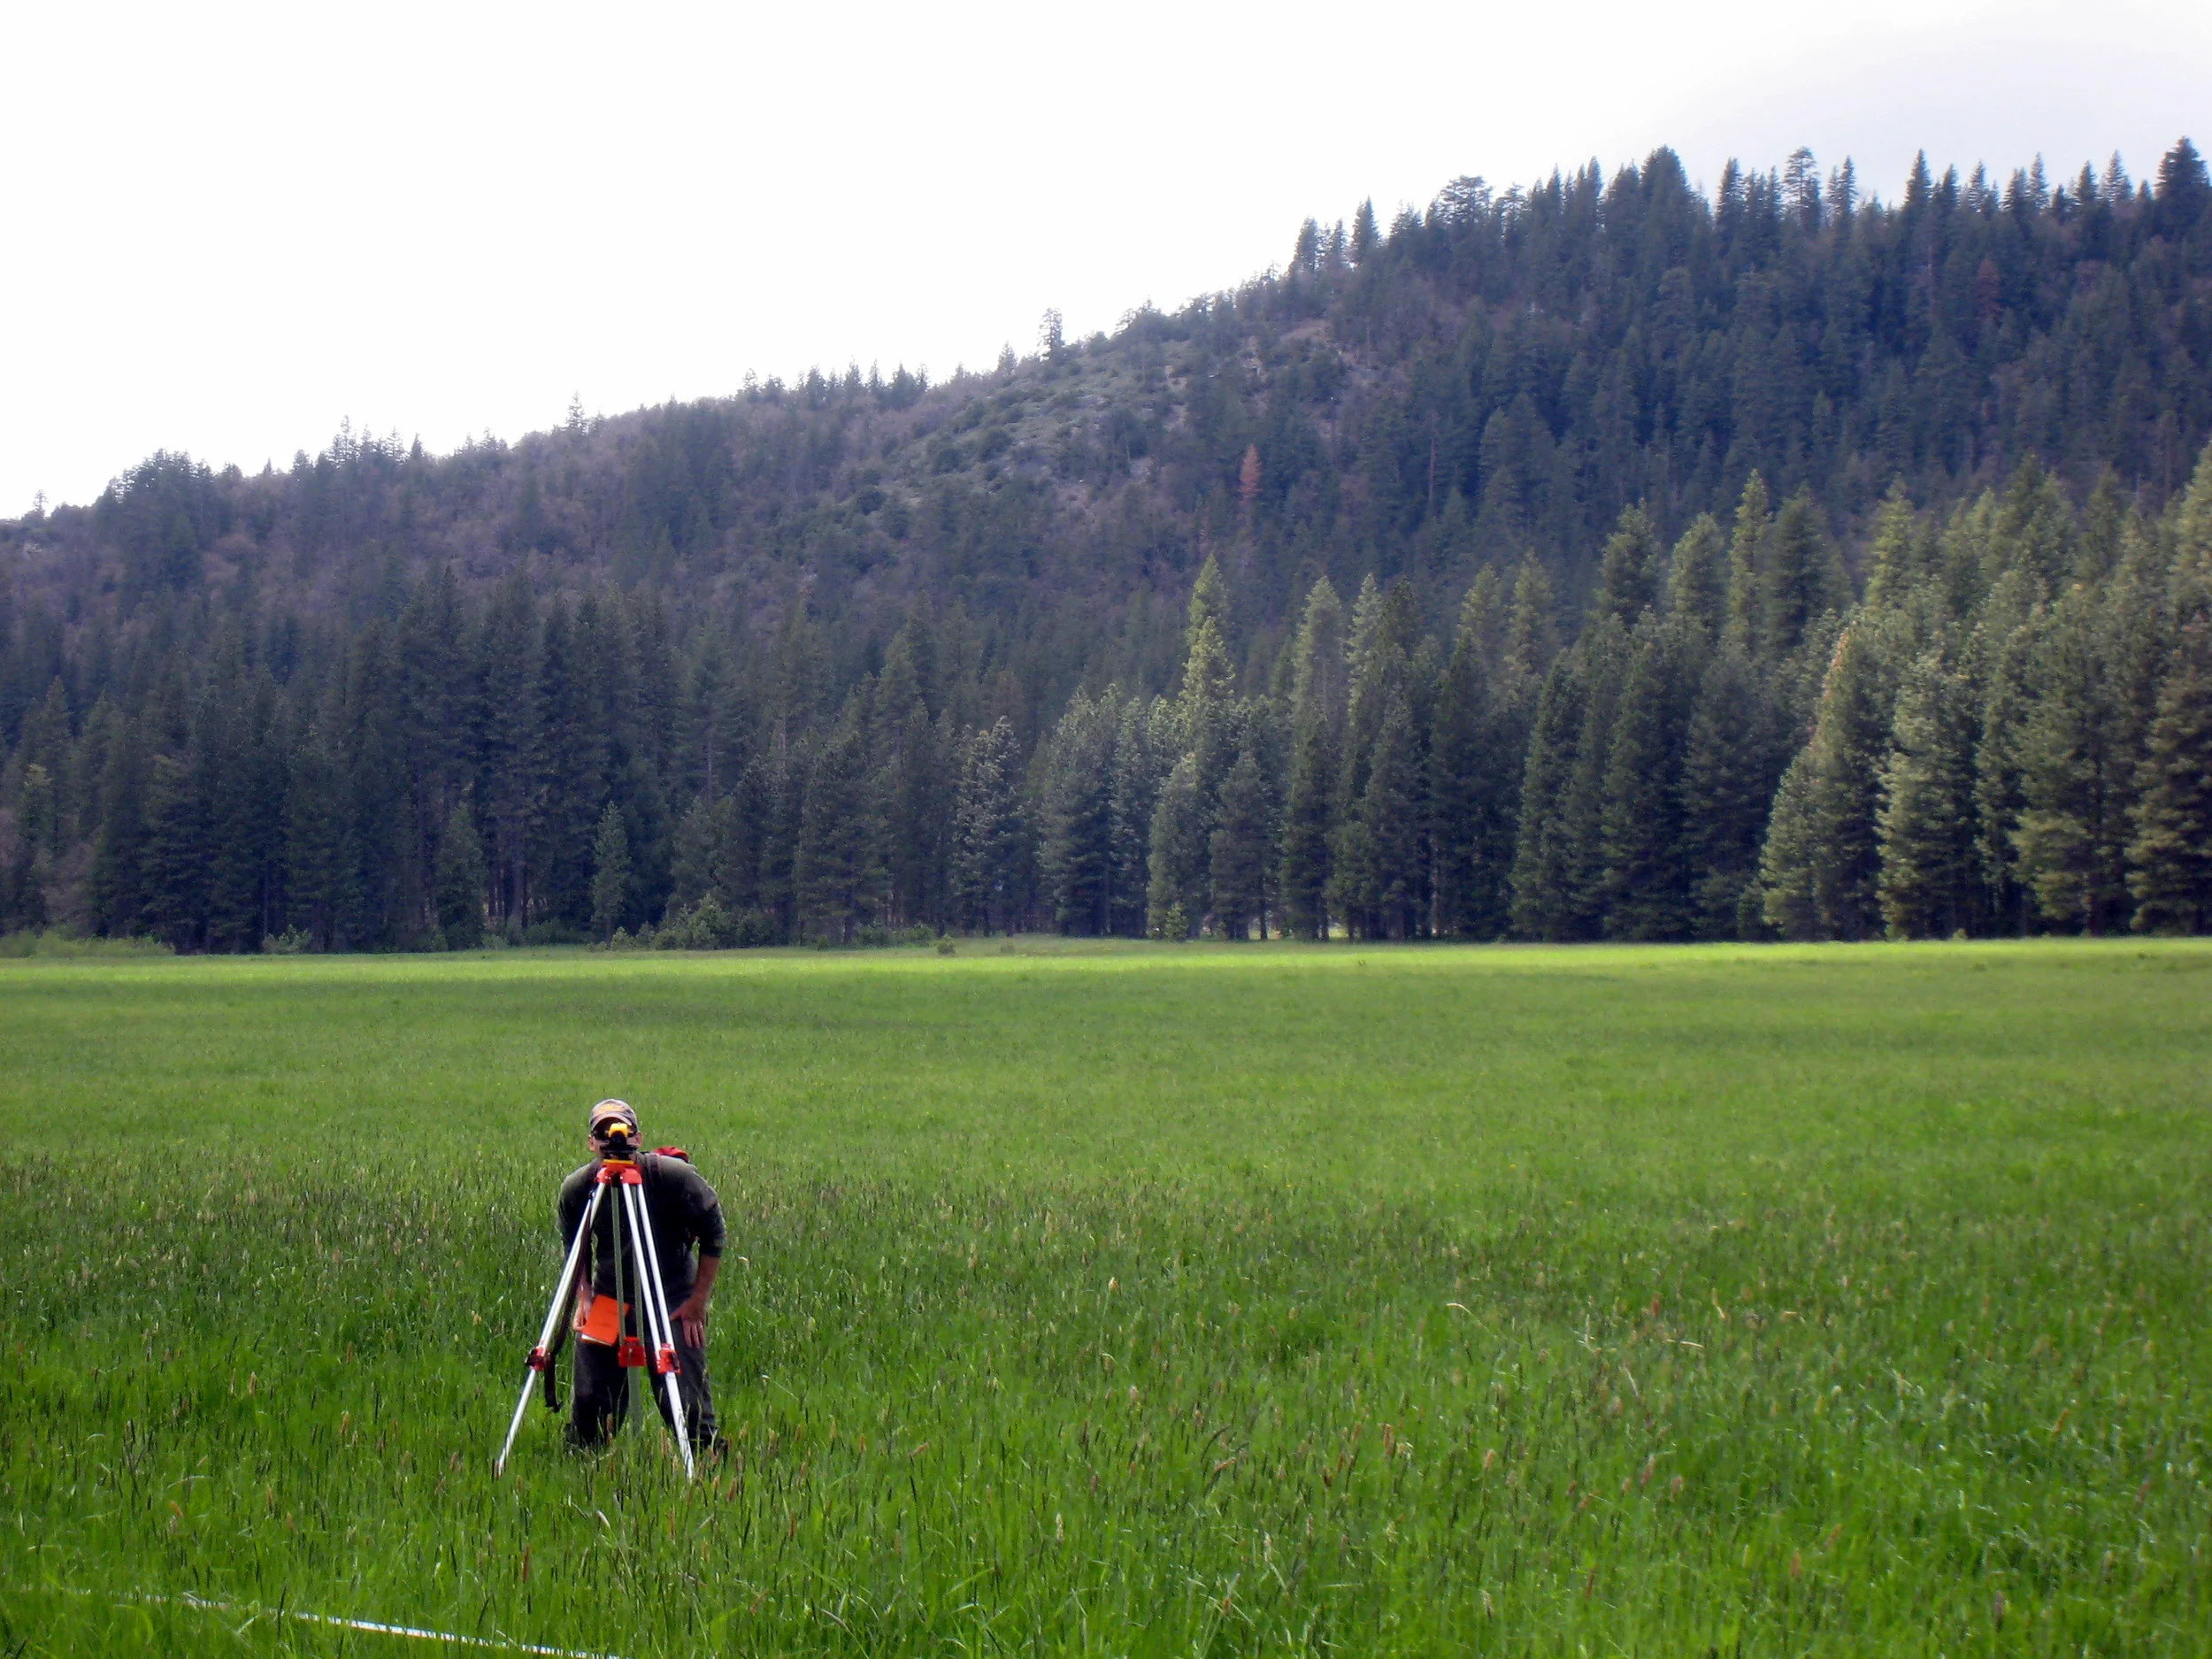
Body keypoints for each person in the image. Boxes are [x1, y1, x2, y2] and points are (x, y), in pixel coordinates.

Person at [557, 1098, 725, 1452]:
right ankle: (585, 1460)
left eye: (621, 1131)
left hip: (672, 1297)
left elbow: (714, 1234)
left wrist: (697, 1302)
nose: (612, 1140)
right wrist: (584, 1298)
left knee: (684, 1396)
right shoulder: (579, 1187)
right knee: (591, 1399)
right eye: (602, 1133)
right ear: (591, 1142)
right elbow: (576, 1251)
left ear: (638, 1137)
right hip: (609, 1296)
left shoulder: (672, 1177)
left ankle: (704, 1458)